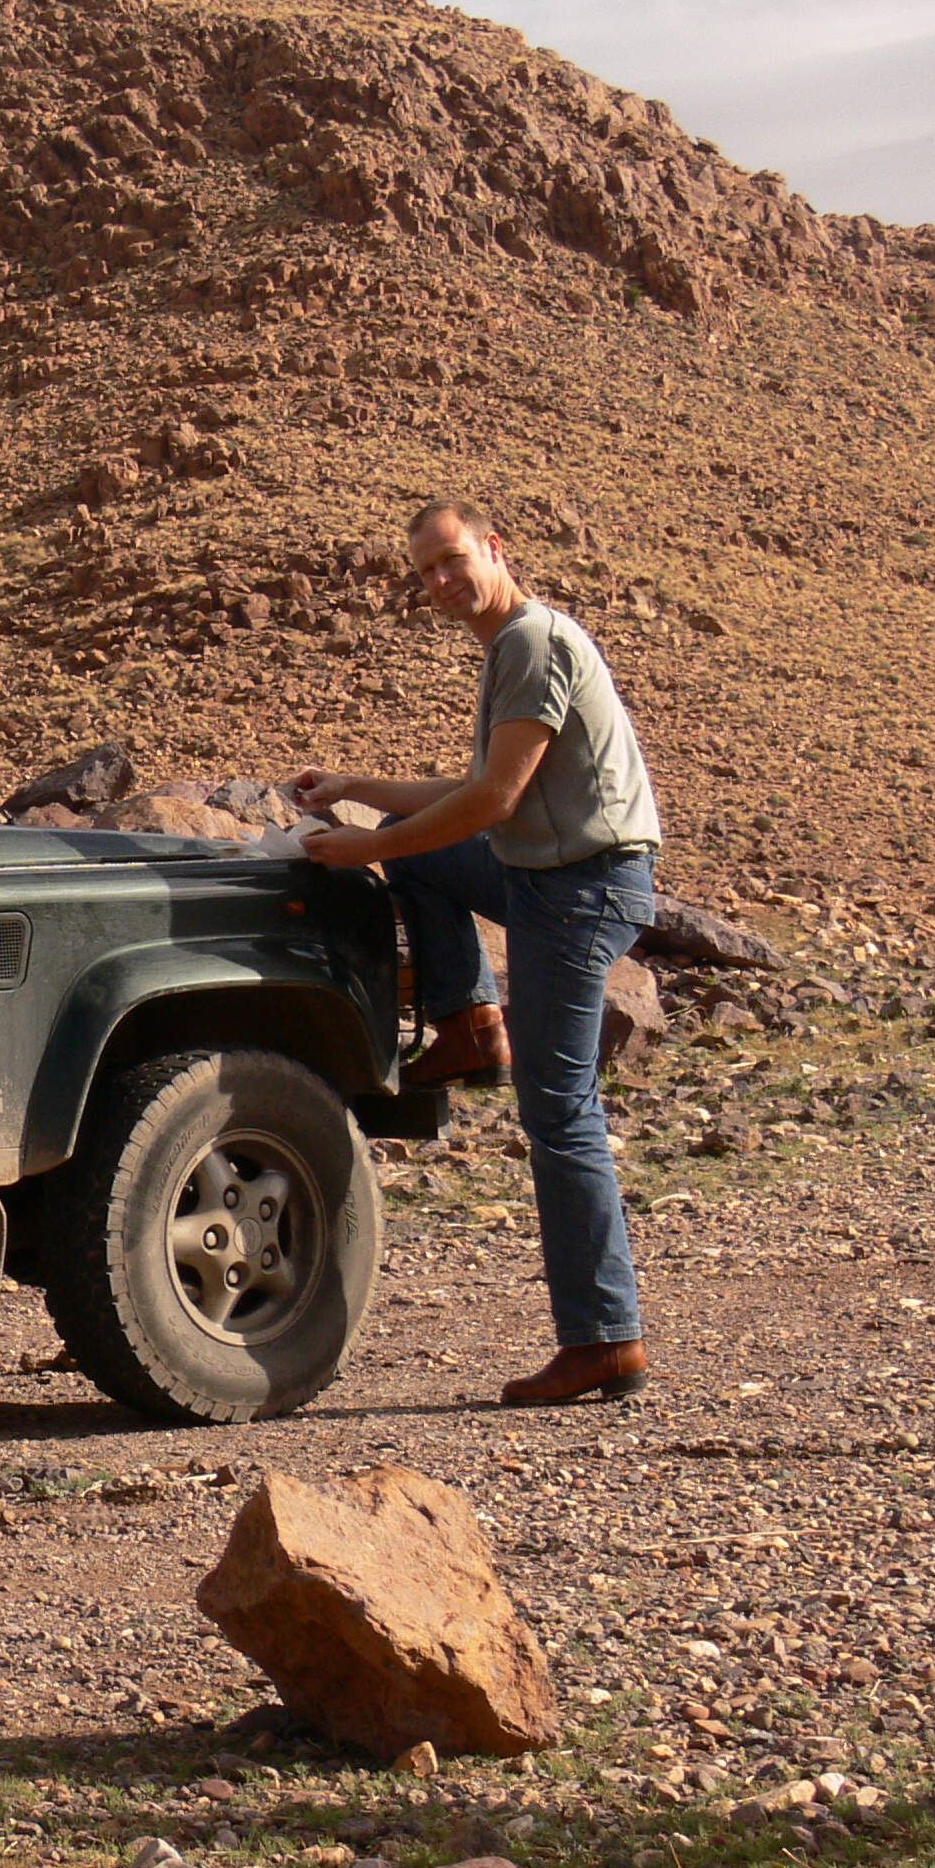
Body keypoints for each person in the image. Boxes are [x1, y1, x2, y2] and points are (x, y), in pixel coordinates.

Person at [291, 500, 664, 1408]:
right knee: (418, 849)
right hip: (544, 875)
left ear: (495, 549)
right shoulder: (510, 646)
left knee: (559, 1110)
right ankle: (468, 1026)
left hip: (579, 889)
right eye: (425, 571)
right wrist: (356, 789)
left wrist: (369, 848)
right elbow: (473, 789)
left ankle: (604, 1339)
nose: (440, 581)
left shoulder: (531, 641)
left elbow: (494, 800)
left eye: (452, 559)